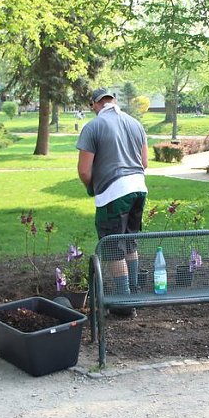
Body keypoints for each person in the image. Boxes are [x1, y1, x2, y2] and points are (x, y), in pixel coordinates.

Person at [76, 88, 148, 311]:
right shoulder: (135, 123)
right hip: (139, 188)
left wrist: (92, 187)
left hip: (113, 192)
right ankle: (133, 294)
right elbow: (144, 163)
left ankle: (124, 303)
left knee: (112, 247)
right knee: (129, 242)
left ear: (95, 104)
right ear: (113, 101)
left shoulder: (93, 127)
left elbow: (84, 170)